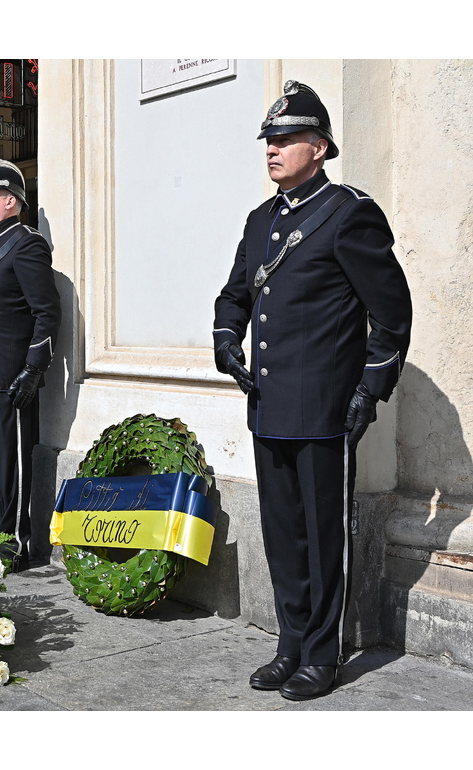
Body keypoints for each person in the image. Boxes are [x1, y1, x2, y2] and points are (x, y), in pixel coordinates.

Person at [213, 81, 412, 700]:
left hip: (326, 408)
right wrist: (226, 339)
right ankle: (290, 644)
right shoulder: (261, 220)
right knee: (283, 534)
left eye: (286, 138)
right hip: (270, 407)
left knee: (326, 538)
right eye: (268, 140)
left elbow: (393, 312)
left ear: (320, 147)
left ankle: (322, 655)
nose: (272, 149)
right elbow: (235, 293)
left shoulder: (348, 213)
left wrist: (370, 390)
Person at [0, 158, 61, 570]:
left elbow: (47, 312)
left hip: (9, 377)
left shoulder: (26, 243)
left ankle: (15, 543)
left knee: (11, 462)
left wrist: (34, 368)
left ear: (11, 201)